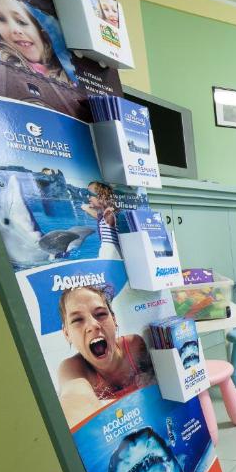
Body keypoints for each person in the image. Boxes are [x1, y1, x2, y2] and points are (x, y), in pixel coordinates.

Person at [57, 286, 154, 426]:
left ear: (114, 320)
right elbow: (74, 397)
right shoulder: (72, 370)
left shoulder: (134, 347)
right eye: (77, 320)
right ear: (67, 334)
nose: (93, 325)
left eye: (101, 314)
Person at [83, 181, 121, 259]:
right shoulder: (105, 214)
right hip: (108, 251)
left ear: (101, 197)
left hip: (110, 253)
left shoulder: (109, 213)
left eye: (90, 195)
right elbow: (99, 216)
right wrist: (87, 208)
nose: (88, 198)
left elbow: (110, 219)